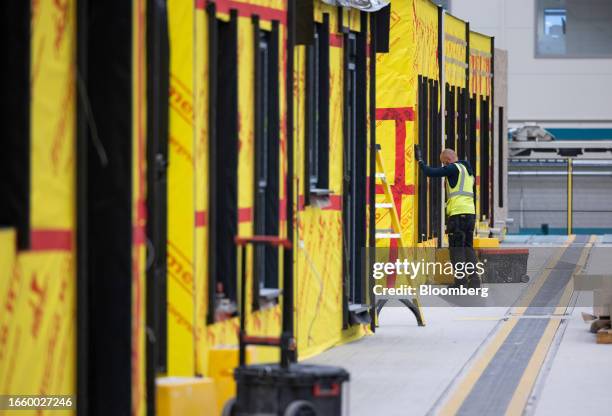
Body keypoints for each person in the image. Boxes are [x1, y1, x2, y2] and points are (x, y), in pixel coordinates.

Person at [414, 146, 480, 288]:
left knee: (456, 249)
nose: (443, 166)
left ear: (448, 160)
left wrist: (419, 160)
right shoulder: (468, 171)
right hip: (470, 214)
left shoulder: (453, 168)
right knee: (468, 248)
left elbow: (430, 172)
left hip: (457, 215)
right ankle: (475, 282)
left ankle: (460, 283)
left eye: (444, 163)